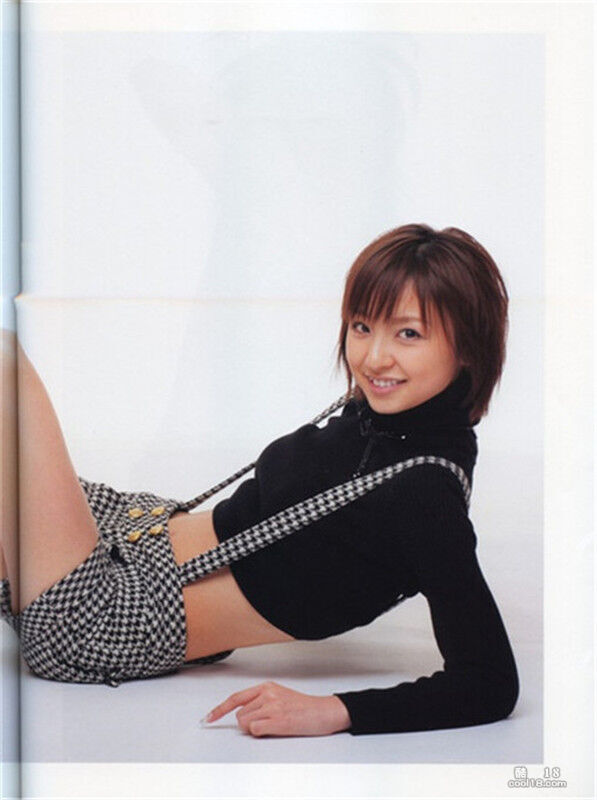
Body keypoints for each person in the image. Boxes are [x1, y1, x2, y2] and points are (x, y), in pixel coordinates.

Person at [0, 223, 519, 738]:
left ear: (468, 346)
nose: (373, 357)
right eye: (362, 326)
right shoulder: (389, 415)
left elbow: (489, 682)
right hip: (131, 531)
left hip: (107, 615)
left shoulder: (425, 491)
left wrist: (337, 711)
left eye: (408, 334)